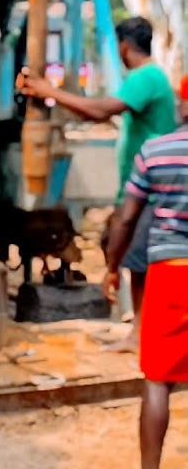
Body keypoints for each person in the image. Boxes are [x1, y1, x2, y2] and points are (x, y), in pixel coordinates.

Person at [16, 16, 176, 351]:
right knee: (128, 254)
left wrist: (49, 91)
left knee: (134, 257)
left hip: (149, 188)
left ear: (123, 47)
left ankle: (140, 333)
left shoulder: (146, 76)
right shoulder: (153, 77)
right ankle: (137, 328)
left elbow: (101, 111)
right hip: (145, 185)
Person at [102, 77, 188, 469]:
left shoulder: (155, 151)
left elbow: (126, 218)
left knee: (157, 379)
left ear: (182, 107)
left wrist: (112, 265)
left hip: (169, 272)